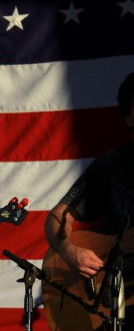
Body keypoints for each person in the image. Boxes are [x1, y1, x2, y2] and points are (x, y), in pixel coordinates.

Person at [44, 72, 134, 330]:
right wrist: (70, 252)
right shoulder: (111, 165)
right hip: (112, 312)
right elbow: (58, 217)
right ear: (128, 117)